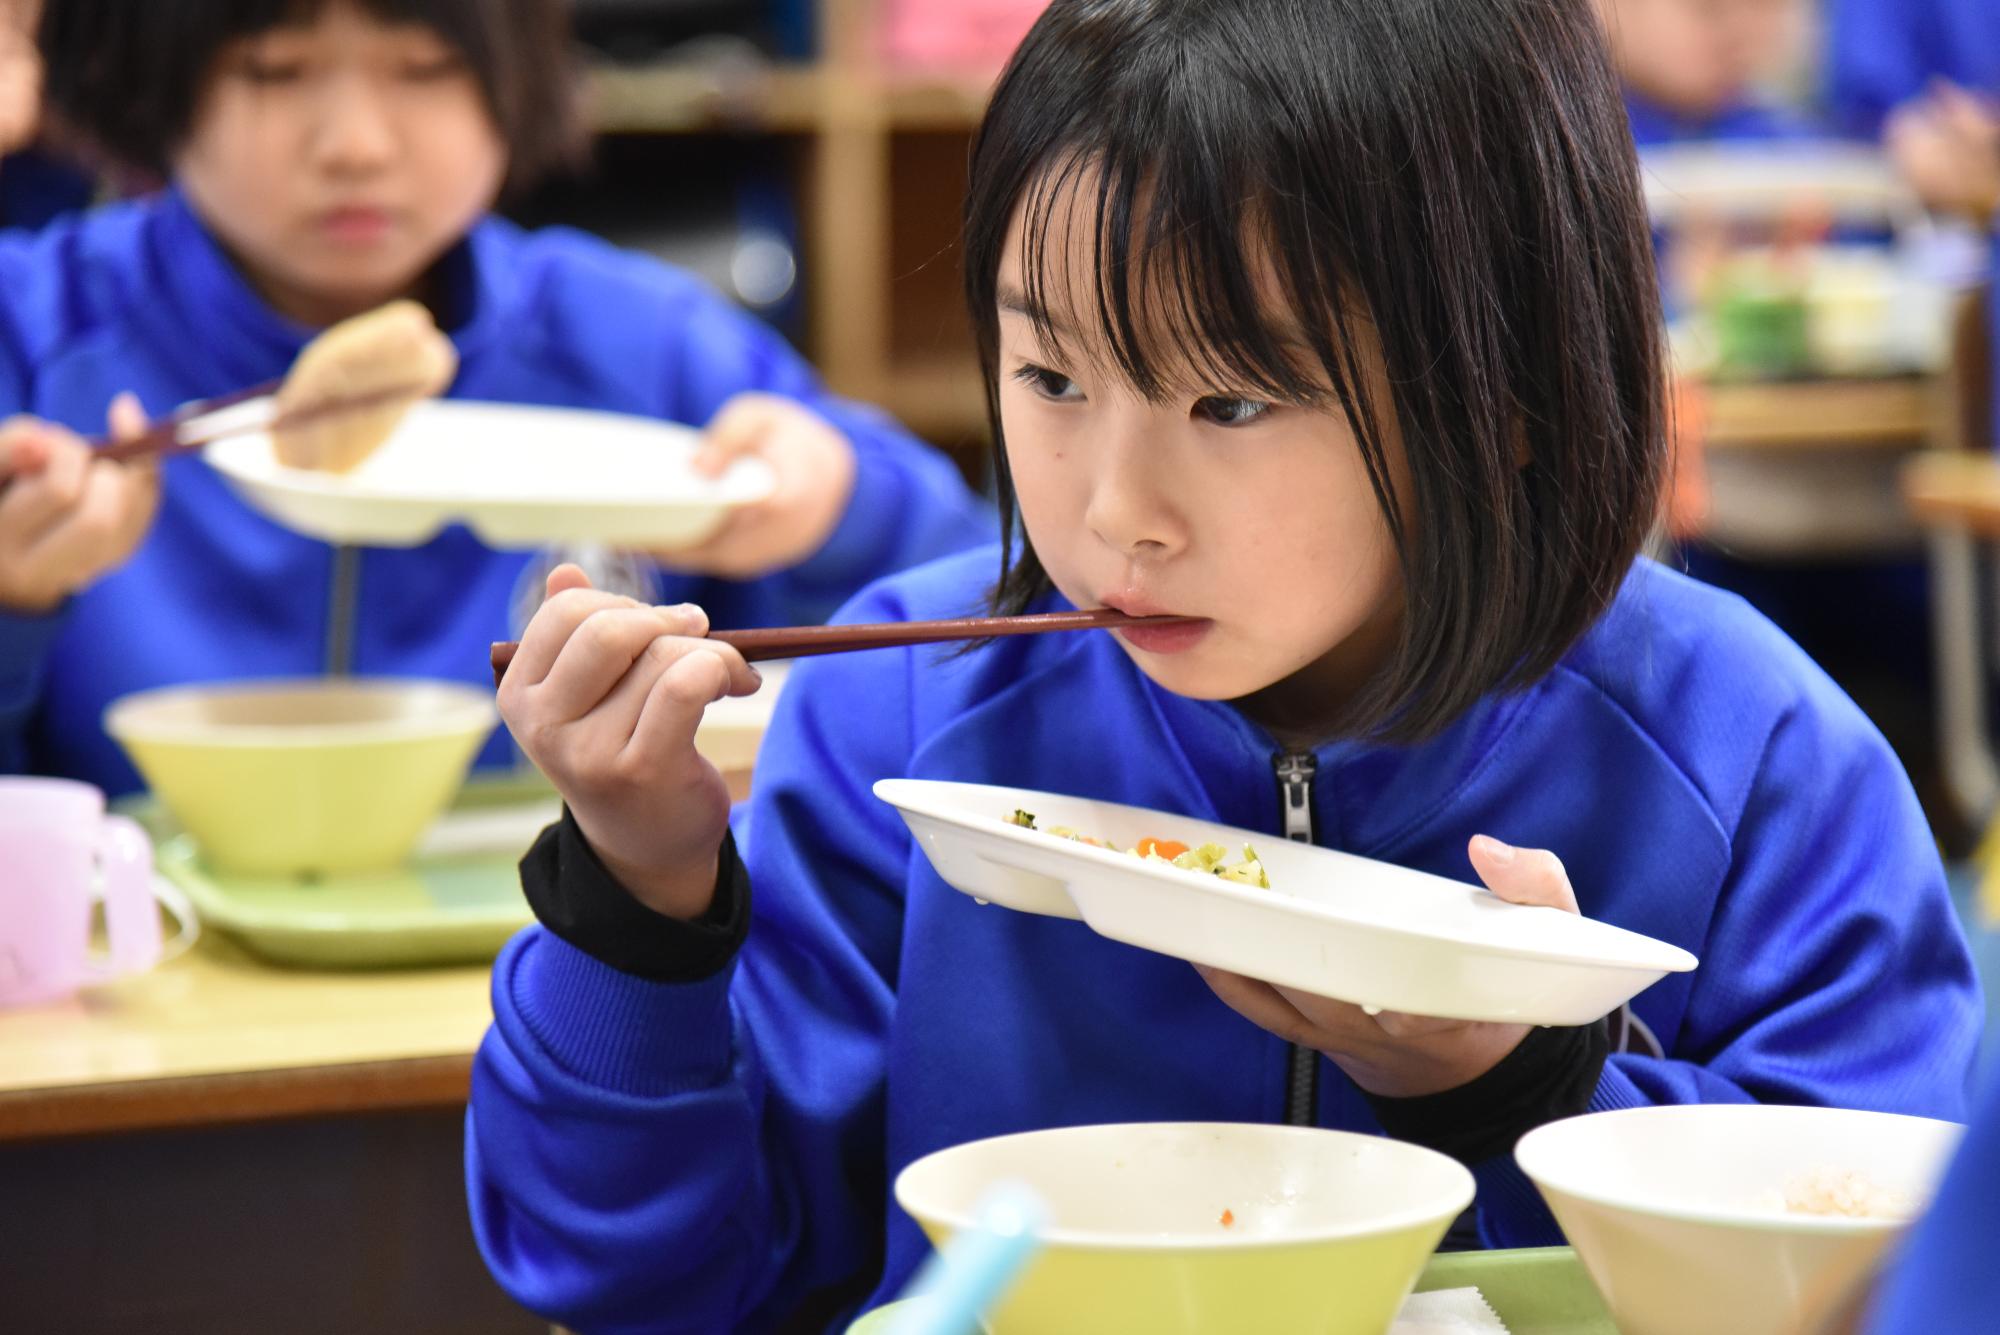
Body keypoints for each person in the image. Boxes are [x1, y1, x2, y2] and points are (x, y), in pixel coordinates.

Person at [467, 2, 1982, 1329]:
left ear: (1505, 385)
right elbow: (652, 1282)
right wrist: (636, 903)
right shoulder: (902, 727)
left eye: (1235, 402)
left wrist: (1530, 1085)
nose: (1116, 509)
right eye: (1051, 374)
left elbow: (1899, 1271)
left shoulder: (1747, 747)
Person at [0, 0, 990, 792]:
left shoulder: (634, 341)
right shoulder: (34, 333)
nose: (355, 144)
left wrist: (836, 511)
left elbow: (986, 612)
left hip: (558, 961)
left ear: (515, 76)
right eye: (274, 69)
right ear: (151, 82)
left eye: (426, 66)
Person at [1593, 0, 1817, 148]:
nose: (1741, 33)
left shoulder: (1780, 142)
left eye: (1763, 6)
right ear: (1606, 9)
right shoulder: (1587, 137)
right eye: (1709, 9)